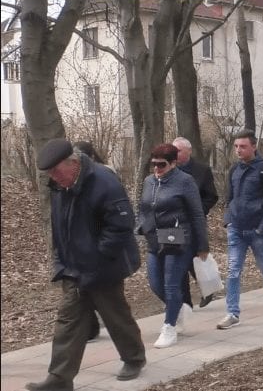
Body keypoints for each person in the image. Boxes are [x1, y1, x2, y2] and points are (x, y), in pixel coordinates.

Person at [27, 139, 146, 391]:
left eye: (57, 172)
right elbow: (59, 226)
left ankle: (134, 358)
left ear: (73, 163)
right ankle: (59, 379)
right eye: (50, 173)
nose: (54, 178)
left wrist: (97, 259)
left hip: (106, 266)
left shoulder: (104, 181)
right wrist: (61, 260)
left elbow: (121, 227)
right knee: (68, 322)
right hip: (74, 268)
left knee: (115, 316)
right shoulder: (59, 185)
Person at [137, 144, 209, 348]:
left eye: (162, 165)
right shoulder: (149, 181)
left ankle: (169, 327)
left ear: (174, 163)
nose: (157, 169)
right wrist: (141, 227)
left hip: (178, 239)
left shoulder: (185, 181)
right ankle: (179, 307)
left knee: (171, 284)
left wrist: (202, 245)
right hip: (154, 239)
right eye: (154, 164)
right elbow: (143, 207)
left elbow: (196, 214)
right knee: (155, 283)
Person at [219, 130, 263, 328]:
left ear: (254, 147)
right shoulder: (234, 170)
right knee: (232, 271)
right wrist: (228, 220)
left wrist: (262, 228)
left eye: (243, 146)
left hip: (258, 230)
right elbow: (229, 198)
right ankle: (232, 313)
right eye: (236, 146)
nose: (239, 150)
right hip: (236, 229)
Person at [172, 137, 219, 309]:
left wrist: (199, 210)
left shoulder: (202, 170)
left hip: (194, 222)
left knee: (194, 258)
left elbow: (212, 196)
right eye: (173, 151)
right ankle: (185, 302)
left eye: (178, 151)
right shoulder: (169, 169)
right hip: (175, 224)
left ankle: (207, 287)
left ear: (188, 151)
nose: (175, 155)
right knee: (178, 261)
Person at [73, 141, 112, 342]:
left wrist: (104, 246)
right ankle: (90, 328)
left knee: (109, 300)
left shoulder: (104, 175)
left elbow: (112, 216)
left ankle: (132, 352)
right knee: (82, 291)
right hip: (83, 244)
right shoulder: (75, 178)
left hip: (100, 243)